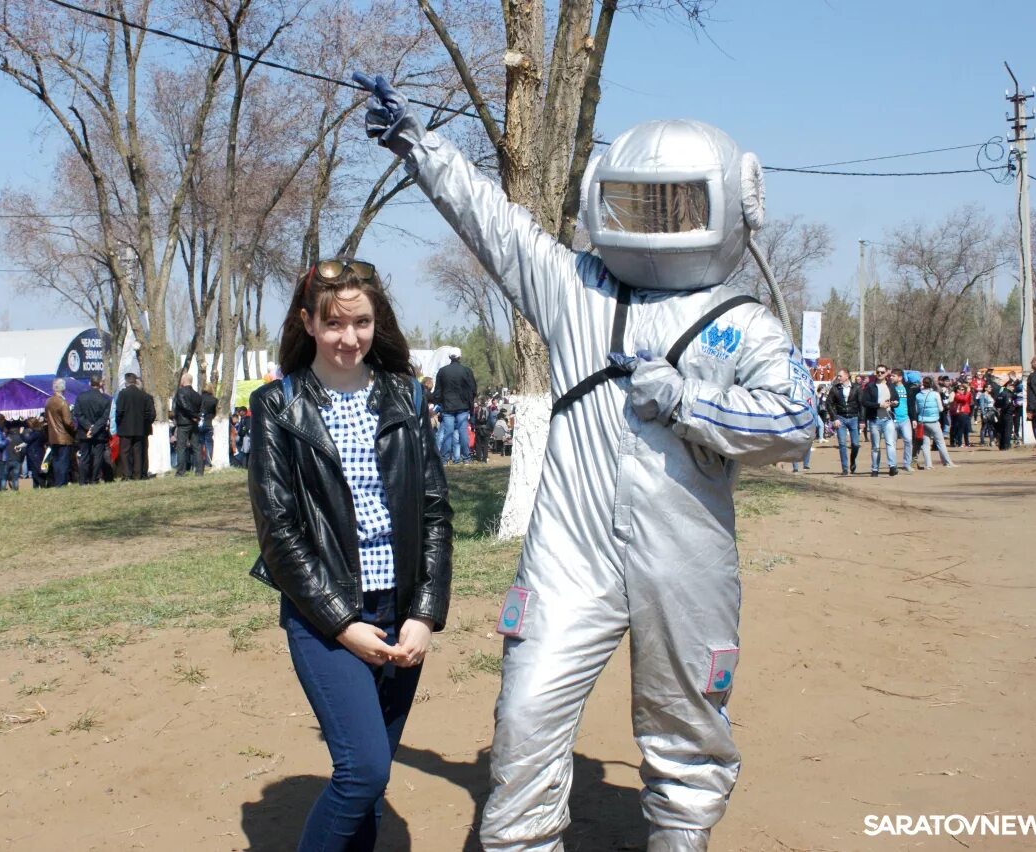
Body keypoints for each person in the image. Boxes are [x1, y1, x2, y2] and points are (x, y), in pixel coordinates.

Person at [355, 73, 813, 850]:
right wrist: (418, 142)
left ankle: (681, 838)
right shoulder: (576, 289)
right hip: (571, 551)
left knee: (686, 724)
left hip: (685, 558)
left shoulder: (742, 323)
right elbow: (492, 222)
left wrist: (690, 405)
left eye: (679, 204)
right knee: (526, 714)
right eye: (643, 201)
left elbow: (795, 421)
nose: (662, 220)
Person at [247, 257, 452, 852]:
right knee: (364, 771)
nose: (349, 338)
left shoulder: (406, 397)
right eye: (334, 324)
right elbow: (279, 532)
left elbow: (435, 511)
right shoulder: (277, 406)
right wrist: (343, 623)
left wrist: (424, 611)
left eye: (360, 322)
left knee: (369, 789)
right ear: (308, 323)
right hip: (325, 617)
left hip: (400, 616)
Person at [433, 347, 477, 464]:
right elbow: (473, 389)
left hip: (447, 407)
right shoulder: (466, 371)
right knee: (463, 432)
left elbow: (437, 391)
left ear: (449, 357)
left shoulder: (442, 371)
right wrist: (469, 402)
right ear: (459, 357)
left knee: (448, 433)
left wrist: (439, 402)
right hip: (463, 406)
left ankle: (444, 459)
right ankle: (466, 459)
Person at [72, 375, 112, 485]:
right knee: (98, 456)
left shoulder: (81, 397)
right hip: (98, 432)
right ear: (100, 384)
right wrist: (93, 428)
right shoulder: (105, 399)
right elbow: (104, 418)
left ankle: (83, 480)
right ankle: (94, 479)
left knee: (84, 456)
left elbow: (78, 414)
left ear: (90, 383)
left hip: (85, 432)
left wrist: (89, 427)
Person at [115, 372, 155, 480]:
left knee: (125, 452)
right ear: (134, 381)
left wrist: (119, 423)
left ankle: (127, 474)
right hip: (140, 428)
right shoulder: (143, 395)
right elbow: (149, 413)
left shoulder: (123, 394)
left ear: (126, 381)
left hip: (125, 428)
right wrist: (145, 423)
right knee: (138, 452)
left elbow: (119, 411)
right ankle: (137, 474)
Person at [861, 365, 899, 477]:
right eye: (878, 372)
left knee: (890, 443)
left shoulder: (891, 386)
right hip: (874, 420)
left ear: (887, 373)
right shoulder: (870, 386)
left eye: (882, 372)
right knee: (875, 446)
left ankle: (892, 466)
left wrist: (894, 403)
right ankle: (875, 469)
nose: (880, 374)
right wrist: (879, 405)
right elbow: (864, 402)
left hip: (888, 419)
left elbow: (897, 400)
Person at [825, 368, 862, 475]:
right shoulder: (835, 389)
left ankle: (852, 460)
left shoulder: (857, 388)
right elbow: (829, 403)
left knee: (855, 444)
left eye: (840, 376)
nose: (838, 378)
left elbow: (861, 405)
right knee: (842, 443)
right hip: (840, 418)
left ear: (847, 376)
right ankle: (845, 468)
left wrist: (862, 420)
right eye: (838, 376)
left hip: (854, 418)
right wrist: (834, 418)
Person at [915, 377, 956, 469]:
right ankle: (947, 462)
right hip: (933, 421)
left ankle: (928, 465)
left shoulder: (918, 395)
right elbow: (941, 409)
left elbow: (916, 409)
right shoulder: (935, 394)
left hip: (922, 421)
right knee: (940, 442)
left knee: (925, 444)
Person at [44, 379, 76, 486]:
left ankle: (58, 482)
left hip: (53, 436)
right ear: (63, 388)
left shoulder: (48, 402)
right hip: (64, 437)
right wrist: (74, 428)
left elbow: (47, 418)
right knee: (64, 461)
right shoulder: (63, 402)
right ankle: (61, 483)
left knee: (56, 461)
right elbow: (68, 421)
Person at [172, 373, 203, 476]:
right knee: (196, 447)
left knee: (181, 447)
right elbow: (199, 408)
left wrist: (193, 416)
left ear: (184, 380)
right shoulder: (197, 394)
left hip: (184, 423)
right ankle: (199, 471)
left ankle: (181, 471)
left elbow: (184, 406)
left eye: (181, 379)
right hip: (193, 423)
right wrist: (196, 417)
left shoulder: (180, 392)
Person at [889, 369, 917, 473]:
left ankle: (907, 464)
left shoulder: (907, 389)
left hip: (905, 419)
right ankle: (893, 465)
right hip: (892, 419)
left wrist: (914, 418)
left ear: (900, 377)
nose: (891, 378)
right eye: (891, 376)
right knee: (892, 443)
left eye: (893, 376)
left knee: (908, 440)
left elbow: (911, 405)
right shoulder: (889, 388)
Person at [22, 417, 48, 488]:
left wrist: (21, 433)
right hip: (38, 452)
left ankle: (42, 486)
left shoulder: (36, 433)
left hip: (35, 454)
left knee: (37, 472)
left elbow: (27, 440)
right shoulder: (40, 431)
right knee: (35, 472)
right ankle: (36, 487)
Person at [199, 382, 218, 468]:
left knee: (199, 443)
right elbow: (216, 413)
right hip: (209, 423)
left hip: (199, 423)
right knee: (209, 443)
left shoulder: (198, 398)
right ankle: (208, 462)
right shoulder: (214, 400)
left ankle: (198, 463)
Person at [949, 381, 973, 448]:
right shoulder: (957, 395)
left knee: (966, 429)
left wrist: (968, 393)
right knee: (960, 428)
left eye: (963, 389)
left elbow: (969, 401)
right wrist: (968, 392)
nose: (963, 391)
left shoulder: (965, 394)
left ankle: (967, 443)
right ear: (957, 390)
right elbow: (964, 400)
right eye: (961, 389)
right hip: (961, 413)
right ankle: (959, 443)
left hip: (966, 412)